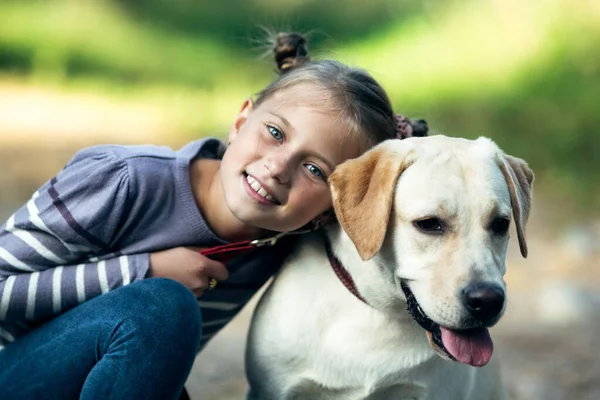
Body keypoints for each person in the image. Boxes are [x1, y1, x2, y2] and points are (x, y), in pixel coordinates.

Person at [0, 32, 425, 399]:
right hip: (15, 372)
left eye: (315, 170)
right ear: (241, 121)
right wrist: (143, 270)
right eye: (274, 133)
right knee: (161, 309)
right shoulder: (122, 181)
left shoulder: (284, 237)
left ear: (329, 213)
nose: (278, 168)